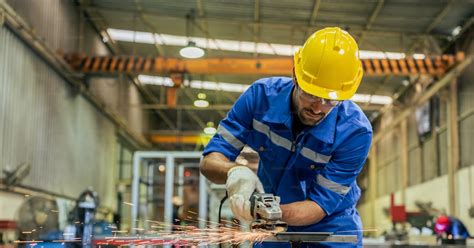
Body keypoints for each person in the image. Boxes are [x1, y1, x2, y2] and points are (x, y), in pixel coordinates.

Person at [200, 27, 372, 247]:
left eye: (331, 101)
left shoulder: (355, 132)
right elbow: (210, 160)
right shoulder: (259, 99)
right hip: (272, 230)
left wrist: (269, 212)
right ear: (295, 75)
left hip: (332, 231)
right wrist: (234, 172)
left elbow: (319, 206)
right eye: (311, 94)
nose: (319, 108)